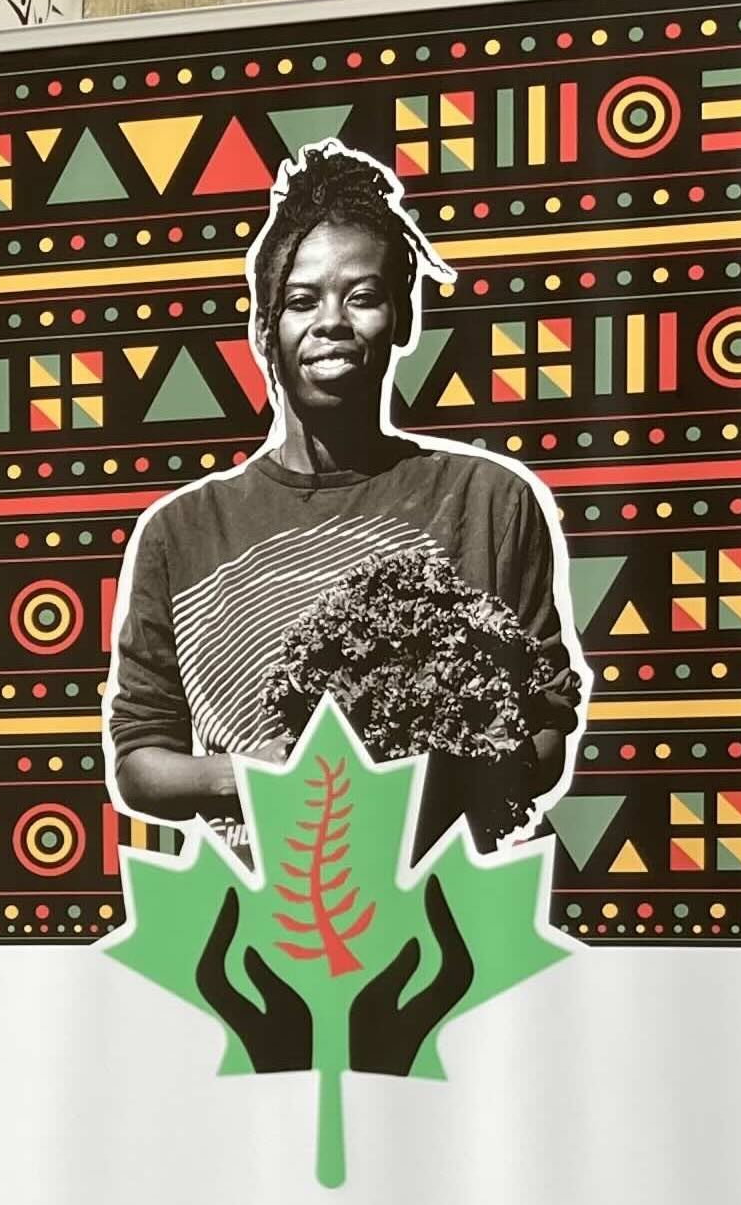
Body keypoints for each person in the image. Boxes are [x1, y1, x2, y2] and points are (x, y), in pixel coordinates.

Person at [103, 142, 584, 852]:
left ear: (404, 320)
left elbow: (544, 726)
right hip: (254, 916)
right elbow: (141, 758)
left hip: (444, 907)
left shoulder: (489, 501)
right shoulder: (183, 532)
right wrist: (247, 775)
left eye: (363, 295)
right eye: (301, 300)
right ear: (265, 331)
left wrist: (443, 770)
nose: (331, 321)